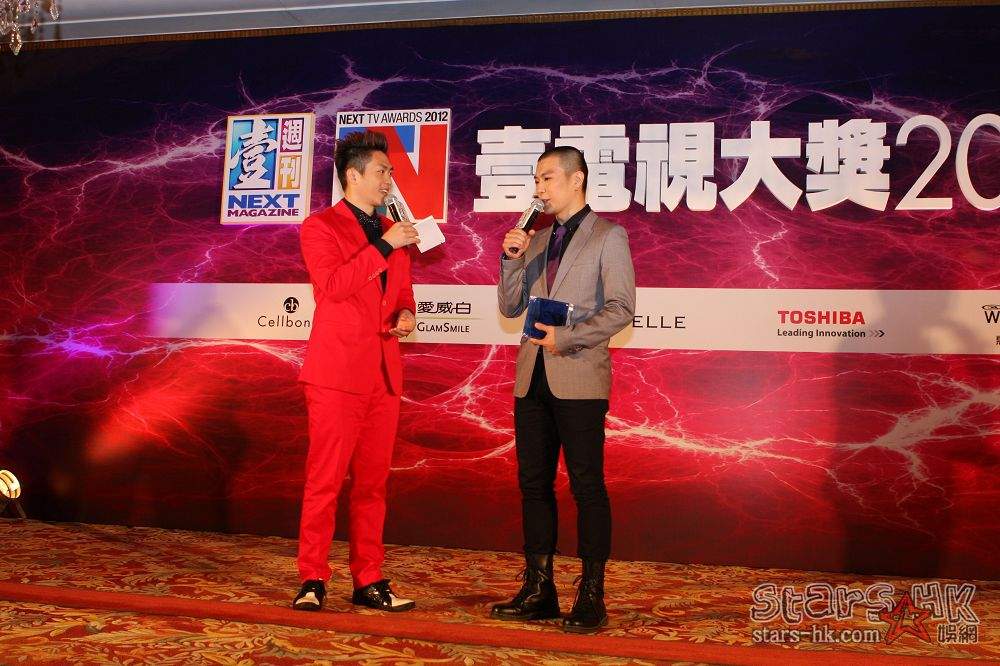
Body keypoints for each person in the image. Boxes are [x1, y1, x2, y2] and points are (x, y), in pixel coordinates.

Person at [492, 146, 636, 633]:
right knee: (533, 485)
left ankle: (591, 595)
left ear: (577, 180)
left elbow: (621, 309)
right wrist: (510, 259)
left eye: (548, 178)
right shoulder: (534, 240)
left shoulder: (609, 235)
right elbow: (511, 308)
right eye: (536, 180)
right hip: (531, 376)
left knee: (586, 487)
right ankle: (539, 589)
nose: (539, 188)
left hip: (579, 376)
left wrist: (567, 337)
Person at [292, 130, 420, 613]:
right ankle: (312, 576)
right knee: (325, 481)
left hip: (383, 375)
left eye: (390, 172)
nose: (389, 180)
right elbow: (332, 286)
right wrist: (384, 245)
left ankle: (369, 578)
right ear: (353, 174)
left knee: (372, 485)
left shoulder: (393, 231)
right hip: (336, 374)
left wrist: (406, 315)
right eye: (382, 171)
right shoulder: (320, 227)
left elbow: (402, 295)